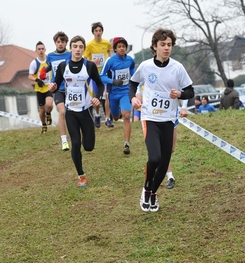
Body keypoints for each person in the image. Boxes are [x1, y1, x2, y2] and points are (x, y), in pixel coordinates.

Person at [129, 28, 194, 212]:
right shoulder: (146, 66)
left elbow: (190, 91)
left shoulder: (177, 68)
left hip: (168, 120)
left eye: (169, 45)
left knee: (165, 163)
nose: (167, 48)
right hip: (150, 118)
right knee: (155, 158)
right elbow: (133, 83)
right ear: (154, 46)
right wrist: (133, 98)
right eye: (163, 44)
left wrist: (180, 95)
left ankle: (153, 192)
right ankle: (146, 188)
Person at [48, 35, 104, 187]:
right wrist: (52, 87)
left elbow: (100, 84)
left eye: (80, 47)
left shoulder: (89, 66)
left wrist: (97, 97)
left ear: (83, 49)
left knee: (88, 146)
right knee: (76, 143)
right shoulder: (62, 66)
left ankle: (89, 140)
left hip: (85, 111)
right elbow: (56, 83)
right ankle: (81, 176)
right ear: (70, 48)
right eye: (75, 46)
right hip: (70, 111)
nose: (78, 49)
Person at [100, 37, 135, 154]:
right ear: (115, 49)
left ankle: (126, 144)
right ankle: (117, 113)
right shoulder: (110, 61)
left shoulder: (130, 60)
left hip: (125, 91)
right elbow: (101, 76)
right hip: (113, 93)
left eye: (123, 46)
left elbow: (133, 70)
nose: (122, 49)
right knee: (116, 117)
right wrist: (113, 81)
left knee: (126, 116)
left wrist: (134, 79)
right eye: (119, 47)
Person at [42, 31, 72, 151]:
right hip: (57, 88)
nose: (60, 44)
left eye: (63, 42)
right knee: (62, 112)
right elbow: (49, 66)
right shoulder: (50, 56)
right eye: (58, 42)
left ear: (66, 43)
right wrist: (44, 71)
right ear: (55, 43)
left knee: (72, 114)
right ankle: (64, 141)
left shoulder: (70, 55)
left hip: (71, 88)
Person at [83, 22, 113, 128]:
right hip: (94, 73)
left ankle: (108, 119)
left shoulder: (106, 43)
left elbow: (109, 52)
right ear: (93, 33)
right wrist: (93, 61)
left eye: (100, 30)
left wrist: (109, 60)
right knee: (97, 96)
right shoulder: (89, 45)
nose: (98, 32)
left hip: (104, 73)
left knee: (106, 95)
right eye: (96, 31)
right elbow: (85, 59)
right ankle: (97, 115)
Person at [28, 41, 54, 134]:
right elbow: (29, 76)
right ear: (36, 51)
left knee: (49, 105)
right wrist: (37, 80)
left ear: (45, 50)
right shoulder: (34, 63)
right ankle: (43, 124)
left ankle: (49, 113)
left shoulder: (49, 60)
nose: (41, 51)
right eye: (39, 49)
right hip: (39, 89)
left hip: (49, 87)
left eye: (42, 49)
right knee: (42, 109)